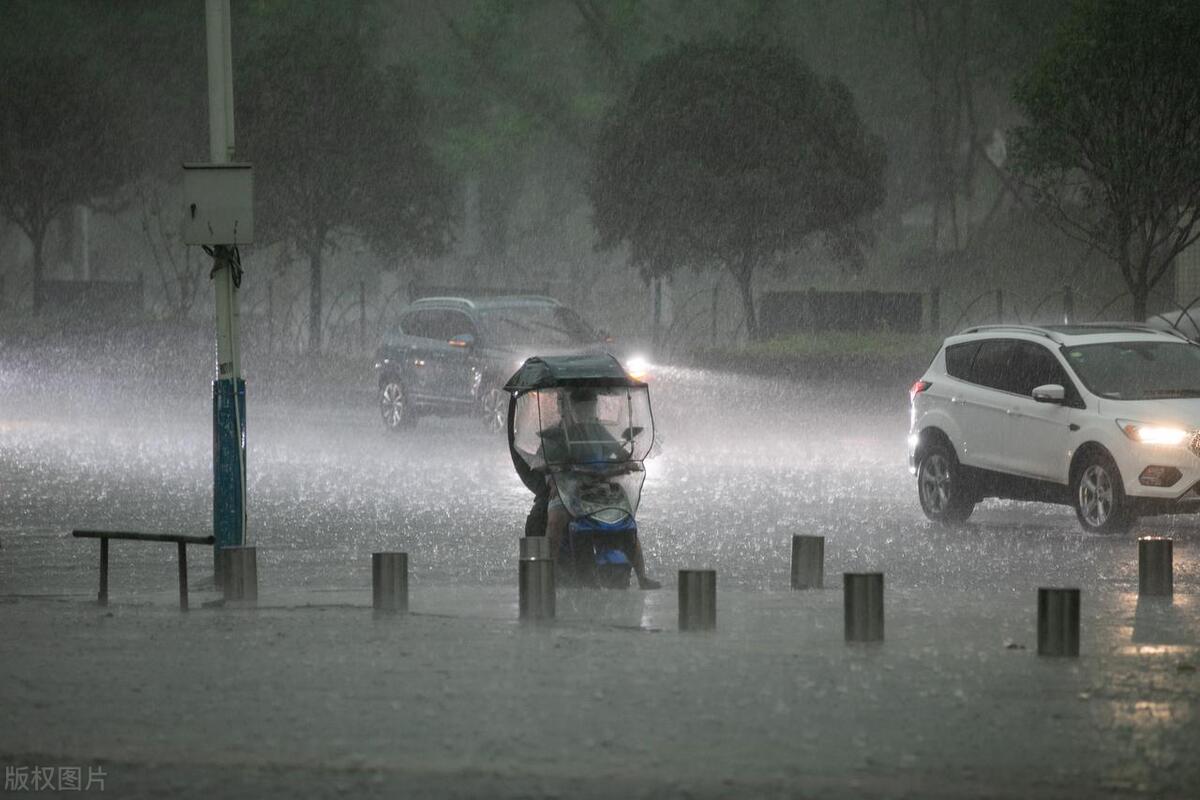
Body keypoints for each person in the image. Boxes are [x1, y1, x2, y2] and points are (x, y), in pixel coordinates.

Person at [533, 387, 661, 590]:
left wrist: (629, 462)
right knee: (555, 522)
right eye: (582, 408)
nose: (587, 413)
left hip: (600, 487)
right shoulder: (555, 435)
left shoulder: (598, 431)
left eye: (590, 407)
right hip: (569, 489)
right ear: (569, 408)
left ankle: (642, 576)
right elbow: (542, 464)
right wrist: (554, 475)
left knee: (627, 520)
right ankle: (547, 573)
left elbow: (620, 454)